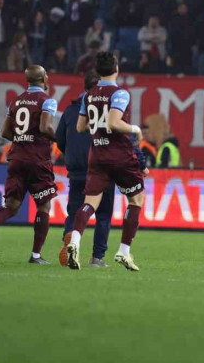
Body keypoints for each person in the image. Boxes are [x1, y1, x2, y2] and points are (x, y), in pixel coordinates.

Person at [64, 52, 149, 271]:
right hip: (119, 154)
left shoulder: (88, 95)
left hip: (97, 154)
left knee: (89, 203)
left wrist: (97, 125)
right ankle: (124, 251)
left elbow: (80, 128)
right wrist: (135, 129)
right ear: (116, 69)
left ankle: (74, 242)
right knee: (136, 199)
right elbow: (114, 122)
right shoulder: (120, 93)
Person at [0, 66, 57, 264]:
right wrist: (61, 139)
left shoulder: (16, 101)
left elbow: (4, 132)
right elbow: (45, 127)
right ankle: (36, 255)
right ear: (43, 78)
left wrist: (22, 139)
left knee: (11, 206)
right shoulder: (48, 101)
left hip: (17, 158)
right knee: (44, 206)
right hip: (38, 160)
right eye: (46, 74)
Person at [56, 71, 116, 267]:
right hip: (102, 169)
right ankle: (96, 258)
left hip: (77, 170)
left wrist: (72, 155)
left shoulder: (70, 111)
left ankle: (69, 237)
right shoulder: (110, 109)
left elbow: (60, 140)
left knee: (75, 211)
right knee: (103, 215)